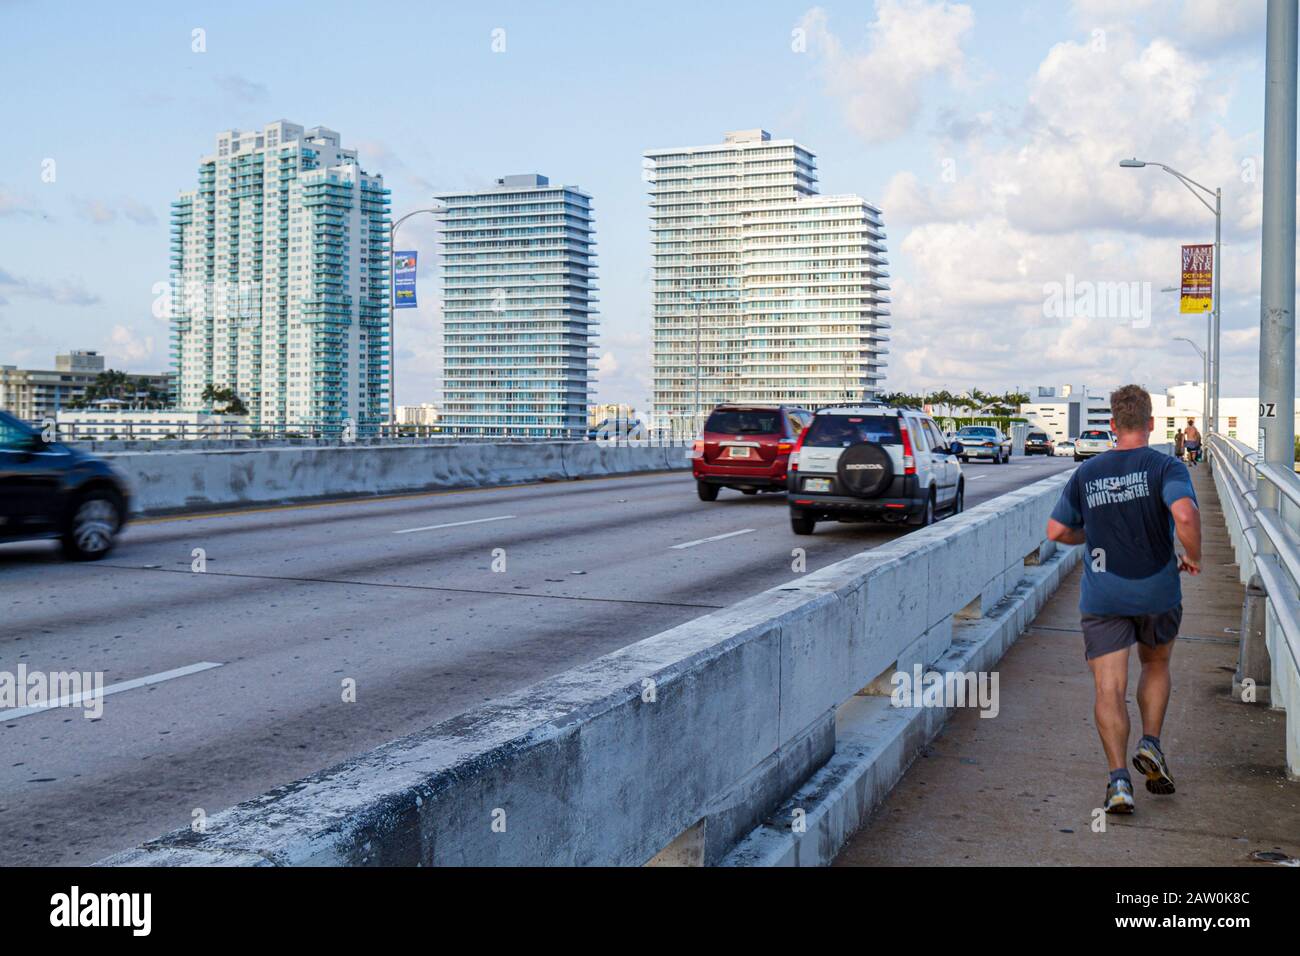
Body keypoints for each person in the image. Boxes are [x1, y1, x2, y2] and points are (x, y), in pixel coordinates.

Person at [1046, 385, 1201, 814]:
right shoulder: (1164, 466)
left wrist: (1090, 535)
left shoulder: (1086, 473)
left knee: (1108, 687)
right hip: (1157, 590)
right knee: (1155, 664)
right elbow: (1185, 514)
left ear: (1112, 426)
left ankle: (1118, 783)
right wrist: (1193, 554)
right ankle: (1150, 743)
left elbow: (1056, 532)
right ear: (1150, 424)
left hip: (1104, 594)